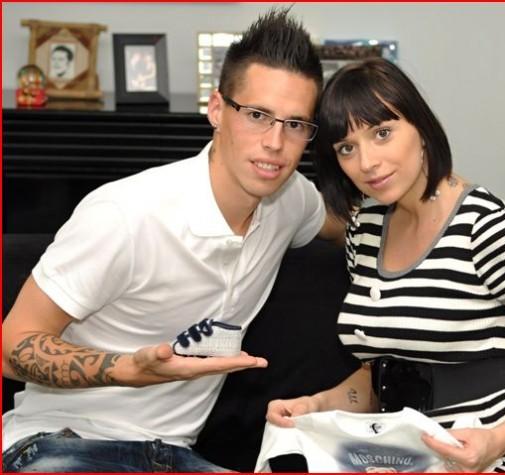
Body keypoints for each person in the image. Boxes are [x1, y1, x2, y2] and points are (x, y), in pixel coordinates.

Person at [2, 8, 344, 472]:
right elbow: (12, 347)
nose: (275, 142)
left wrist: (424, 197)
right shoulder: (126, 213)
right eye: (257, 115)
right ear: (217, 109)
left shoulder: (289, 199)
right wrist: (129, 369)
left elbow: (345, 223)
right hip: (62, 441)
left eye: (295, 124)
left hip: (175, 456)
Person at [266, 58, 505, 472]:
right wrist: (317, 404)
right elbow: (382, 374)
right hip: (409, 453)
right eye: (347, 148)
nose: (367, 162)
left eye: (382, 133)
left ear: (422, 127)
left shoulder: (489, 228)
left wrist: (497, 440)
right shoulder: (367, 228)